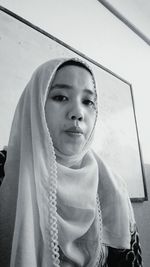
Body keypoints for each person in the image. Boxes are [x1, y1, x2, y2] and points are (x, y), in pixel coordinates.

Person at [0, 57, 142, 267]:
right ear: (35, 103)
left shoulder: (113, 186)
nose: (77, 113)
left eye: (88, 101)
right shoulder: (5, 169)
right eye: (60, 97)